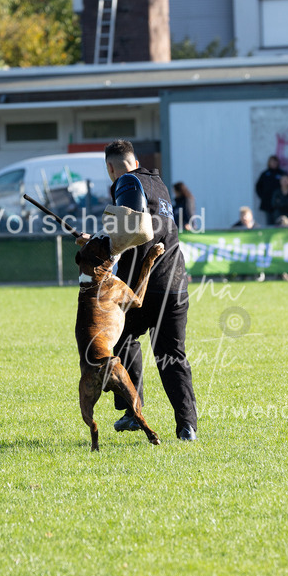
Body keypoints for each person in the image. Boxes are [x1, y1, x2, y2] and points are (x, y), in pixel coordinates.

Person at [91, 139, 197, 441]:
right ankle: (187, 426)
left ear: (111, 168)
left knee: (119, 339)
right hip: (175, 284)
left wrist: (98, 245)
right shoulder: (159, 184)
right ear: (134, 159)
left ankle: (132, 409)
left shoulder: (125, 182)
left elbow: (131, 231)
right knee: (172, 355)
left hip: (142, 287)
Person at [254, 155, 285, 225]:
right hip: (268, 204)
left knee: (280, 222)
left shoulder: (281, 173)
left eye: (275, 162)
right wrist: (263, 197)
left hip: (279, 204)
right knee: (269, 223)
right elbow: (258, 186)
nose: (274, 163)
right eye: (272, 162)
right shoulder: (265, 174)